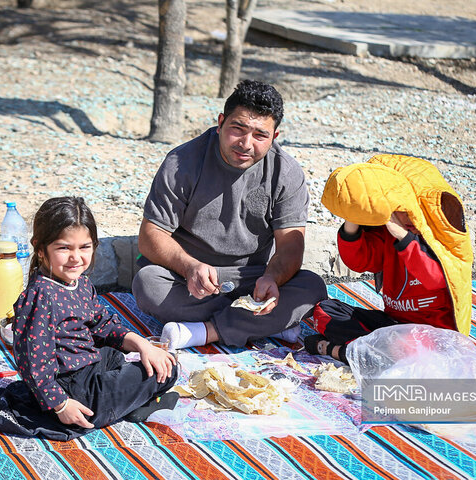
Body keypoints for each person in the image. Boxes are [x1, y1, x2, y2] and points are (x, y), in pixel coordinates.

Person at [132, 80, 327, 350]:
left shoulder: (286, 172)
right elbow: (150, 236)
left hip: (252, 280)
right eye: (238, 129)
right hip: (191, 281)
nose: (246, 144)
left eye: (260, 135)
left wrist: (272, 279)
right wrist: (190, 268)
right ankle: (265, 324)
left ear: (275, 137)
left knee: (312, 286)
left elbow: (291, 248)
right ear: (221, 122)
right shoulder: (182, 163)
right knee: (148, 283)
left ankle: (205, 332)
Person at [13, 196, 179, 429]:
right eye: (64, 248)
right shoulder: (41, 296)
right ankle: (126, 404)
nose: (76, 257)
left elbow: (103, 325)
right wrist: (60, 405)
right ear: (40, 249)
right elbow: (32, 361)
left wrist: (144, 345)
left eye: (84, 247)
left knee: (118, 355)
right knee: (170, 369)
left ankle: (129, 401)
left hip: (86, 371)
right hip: (75, 394)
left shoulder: (80, 283)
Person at [304, 213, 457, 364]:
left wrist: (404, 237)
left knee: (406, 348)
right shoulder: (387, 233)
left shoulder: (442, 234)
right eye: (398, 209)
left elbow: (436, 279)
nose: (404, 214)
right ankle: (369, 353)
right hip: (393, 326)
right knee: (324, 310)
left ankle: (338, 351)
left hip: (432, 336)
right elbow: (358, 260)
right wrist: (352, 214)